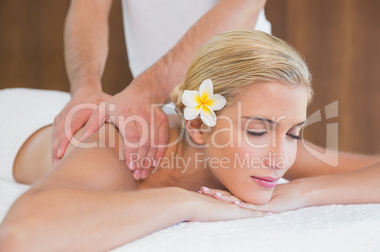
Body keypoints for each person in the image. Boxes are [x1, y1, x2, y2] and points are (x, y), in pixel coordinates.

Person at [0, 30, 380, 252]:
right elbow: (19, 241)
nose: (281, 159)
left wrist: (300, 193)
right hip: (15, 120)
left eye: (294, 132)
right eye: (258, 131)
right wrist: (185, 203)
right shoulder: (124, 145)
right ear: (197, 123)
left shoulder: (261, 147)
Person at [54, 0, 270, 180]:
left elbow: (244, 5)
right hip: (157, 103)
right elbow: (88, 7)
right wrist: (86, 87)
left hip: (242, 86)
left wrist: (147, 91)